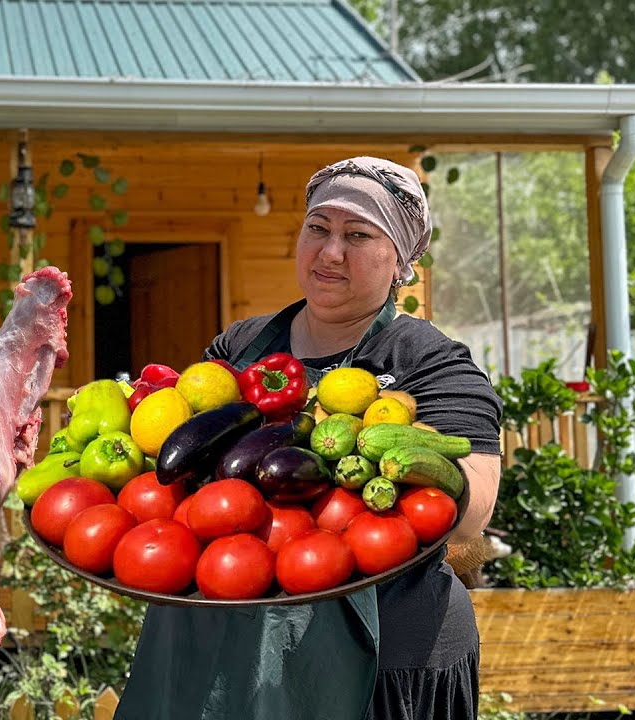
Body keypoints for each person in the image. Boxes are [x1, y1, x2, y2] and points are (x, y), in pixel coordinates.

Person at [116, 156, 503, 720]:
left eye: (358, 235)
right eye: (318, 228)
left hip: (388, 657)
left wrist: (396, 458)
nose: (331, 252)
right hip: (229, 637)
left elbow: (473, 510)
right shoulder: (241, 346)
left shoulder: (430, 361)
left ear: (401, 261)